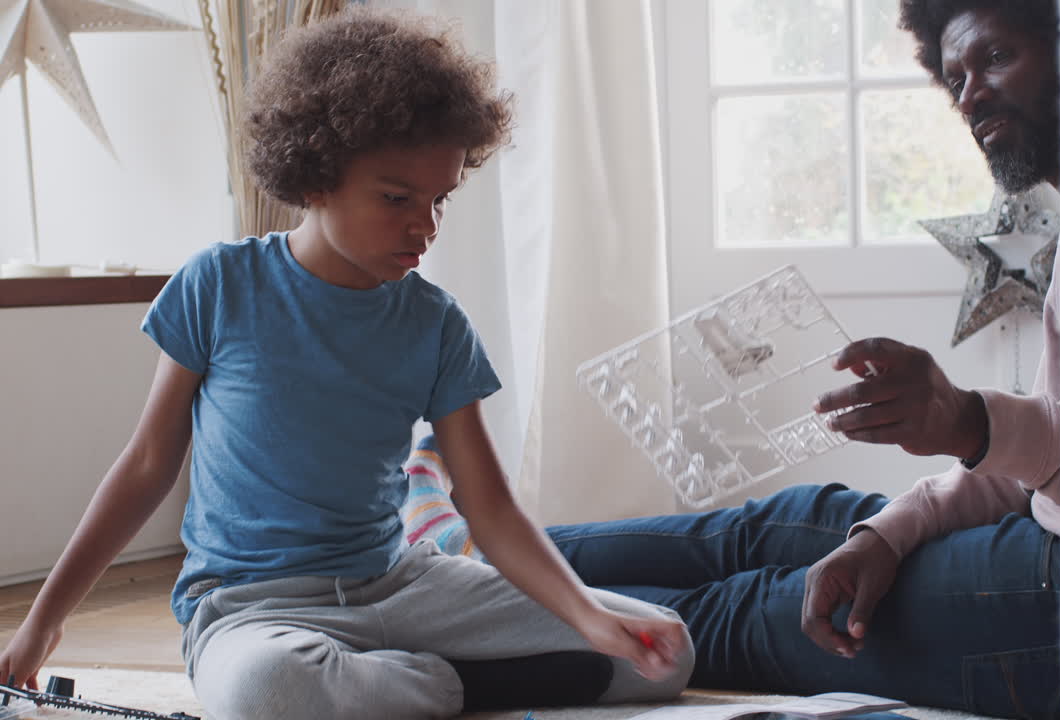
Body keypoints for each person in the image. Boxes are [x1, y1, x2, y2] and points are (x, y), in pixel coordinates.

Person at [0, 8, 693, 720]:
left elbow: (487, 505)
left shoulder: (437, 324)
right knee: (269, 690)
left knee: (662, 652)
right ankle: (454, 687)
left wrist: (584, 616)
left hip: (401, 585)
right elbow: (147, 464)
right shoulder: (220, 286)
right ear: (316, 175)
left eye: (440, 199)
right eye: (397, 198)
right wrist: (44, 620)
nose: (425, 225)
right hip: (251, 609)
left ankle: (393, 684)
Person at [402, 1, 1060, 718]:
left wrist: (970, 423)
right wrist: (885, 532)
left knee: (742, 608)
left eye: (995, 59)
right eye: (954, 74)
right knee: (789, 522)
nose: (968, 94)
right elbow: (1041, 467)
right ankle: (457, 553)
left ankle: (441, 621)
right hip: (1036, 520)